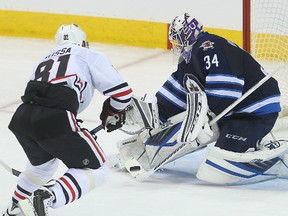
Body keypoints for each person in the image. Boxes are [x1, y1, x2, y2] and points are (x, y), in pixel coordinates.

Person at [117, 13, 288, 184]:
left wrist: (209, 114)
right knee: (193, 125)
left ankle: (276, 161)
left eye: (177, 39)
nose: (176, 45)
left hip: (255, 111)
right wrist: (155, 114)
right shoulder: (188, 60)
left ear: (187, 34)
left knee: (221, 155)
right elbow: (177, 92)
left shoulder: (210, 47)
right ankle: (149, 149)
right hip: (232, 112)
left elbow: (226, 88)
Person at [3, 24, 132, 216]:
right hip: (55, 117)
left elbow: (42, 94)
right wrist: (111, 112)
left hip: (23, 117)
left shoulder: (44, 59)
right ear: (82, 42)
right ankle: (47, 196)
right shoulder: (88, 55)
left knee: (42, 168)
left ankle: (14, 209)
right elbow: (122, 94)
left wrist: (72, 129)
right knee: (96, 169)